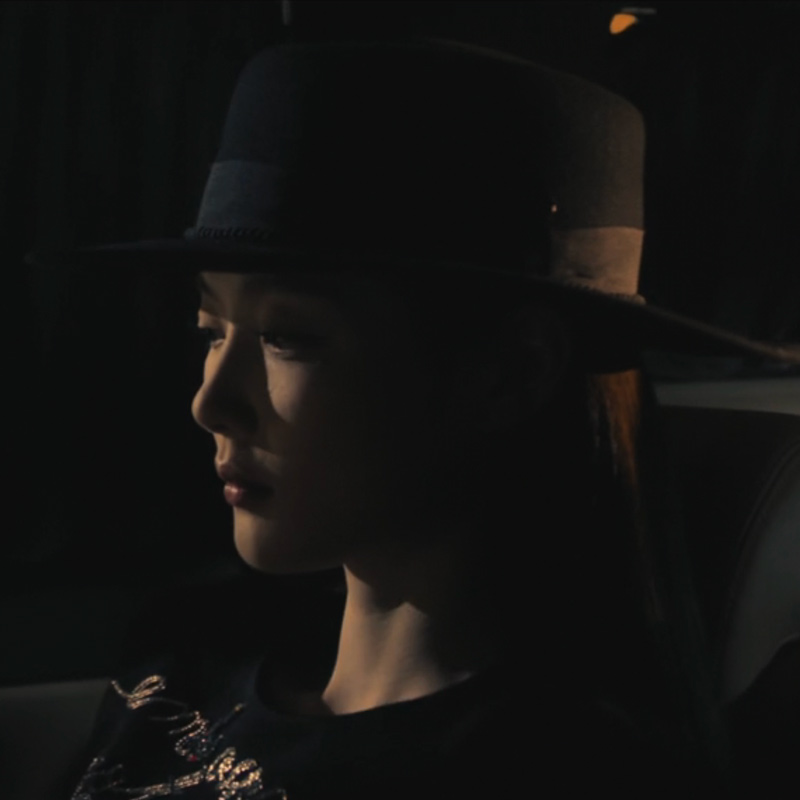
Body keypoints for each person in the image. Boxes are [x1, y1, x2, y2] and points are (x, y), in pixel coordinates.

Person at [26, 38, 799, 800]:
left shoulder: (543, 771)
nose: (210, 404)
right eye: (210, 331)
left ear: (511, 372)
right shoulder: (196, 643)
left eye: (287, 337)